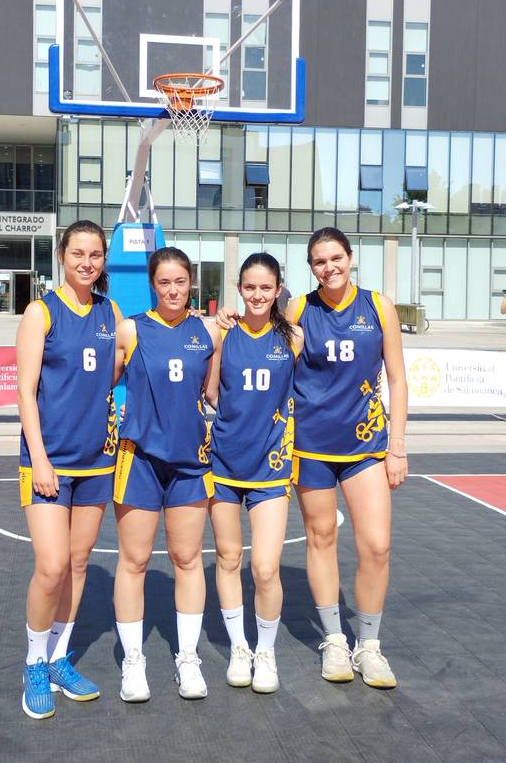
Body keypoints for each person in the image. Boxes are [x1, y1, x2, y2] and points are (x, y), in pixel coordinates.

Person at [218, 228, 408, 689]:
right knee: (321, 538)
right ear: (310, 268)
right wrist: (226, 321)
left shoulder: (378, 306)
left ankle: (370, 644)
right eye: (320, 262)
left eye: (336, 258)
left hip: (366, 446)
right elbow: (256, 327)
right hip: (309, 448)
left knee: (376, 546)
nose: (330, 267)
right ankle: (335, 640)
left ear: (350, 258)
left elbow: (398, 381)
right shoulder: (300, 310)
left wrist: (397, 446)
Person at [16, 220, 121, 719]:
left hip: (98, 460)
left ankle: (59, 657)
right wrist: (38, 458)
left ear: (103, 260)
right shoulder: (41, 312)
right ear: (63, 256)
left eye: (95, 254)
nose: (87, 261)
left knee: (78, 565)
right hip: (49, 461)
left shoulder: (110, 310)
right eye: (78, 252)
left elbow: (127, 354)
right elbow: (25, 392)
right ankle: (34, 662)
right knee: (52, 566)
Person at [112, 247, 221, 702]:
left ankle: (188, 659)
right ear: (152, 285)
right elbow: (101, 386)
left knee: (188, 560)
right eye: (164, 282)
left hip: (190, 463)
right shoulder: (130, 329)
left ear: (191, 283)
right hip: (139, 460)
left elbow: (213, 394)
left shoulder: (209, 332)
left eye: (181, 282)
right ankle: (133, 663)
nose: (173, 290)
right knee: (134, 561)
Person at [207, 253, 303, 694]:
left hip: (271, 466)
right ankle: (239, 647)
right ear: (239, 288)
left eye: (267, 287)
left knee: (265, 568)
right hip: (224, 462)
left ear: (279, 288)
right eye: (250, 287)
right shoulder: (224, 334)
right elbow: (210, 393)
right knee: (229, 560)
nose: (258, 295)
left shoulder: (294, 338)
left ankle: (266, 651)